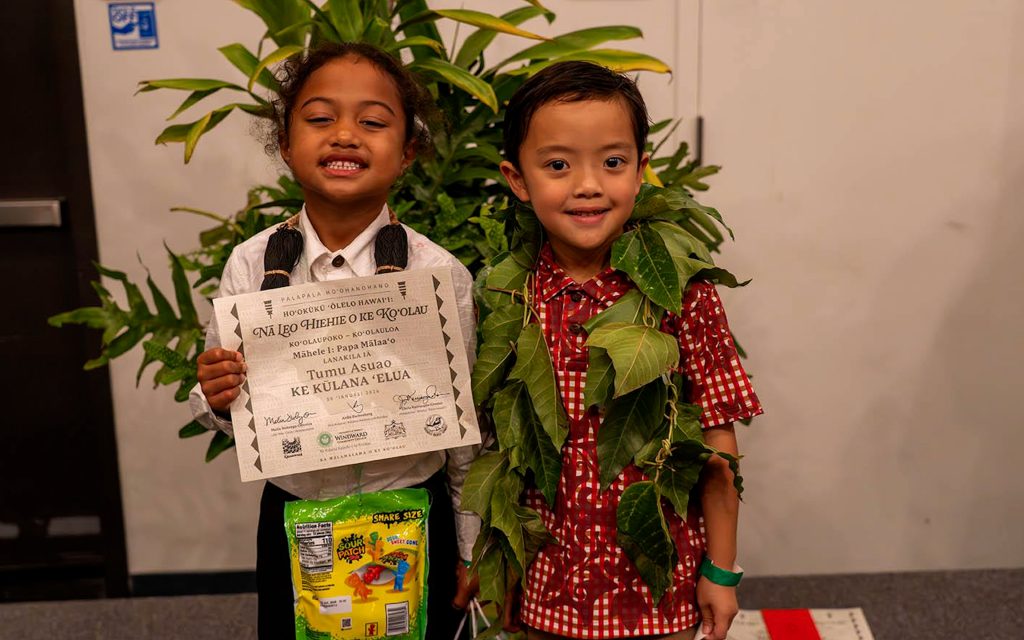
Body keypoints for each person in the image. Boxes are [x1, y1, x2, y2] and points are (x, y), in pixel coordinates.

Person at [188, 43, 479, 639]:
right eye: (320, 118)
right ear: (287, 144)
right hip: (296, 515)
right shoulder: (250, 265)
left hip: (413, 512)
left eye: (372, 122)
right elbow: (226, 407)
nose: (345, 135)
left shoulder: (438, 273)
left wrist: (471, 544)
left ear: (407, 153)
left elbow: (465, 430)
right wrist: (216, 397)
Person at [496, 61, 763, 639]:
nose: (588, 184)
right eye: (558, 165)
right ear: (517, 180)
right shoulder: (508, 297)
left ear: (642, 171)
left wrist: (721, 569)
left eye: (612, 162)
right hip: (548, 588)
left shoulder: (681, 295)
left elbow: (717, 439)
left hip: (656, 592)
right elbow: (498, 445)